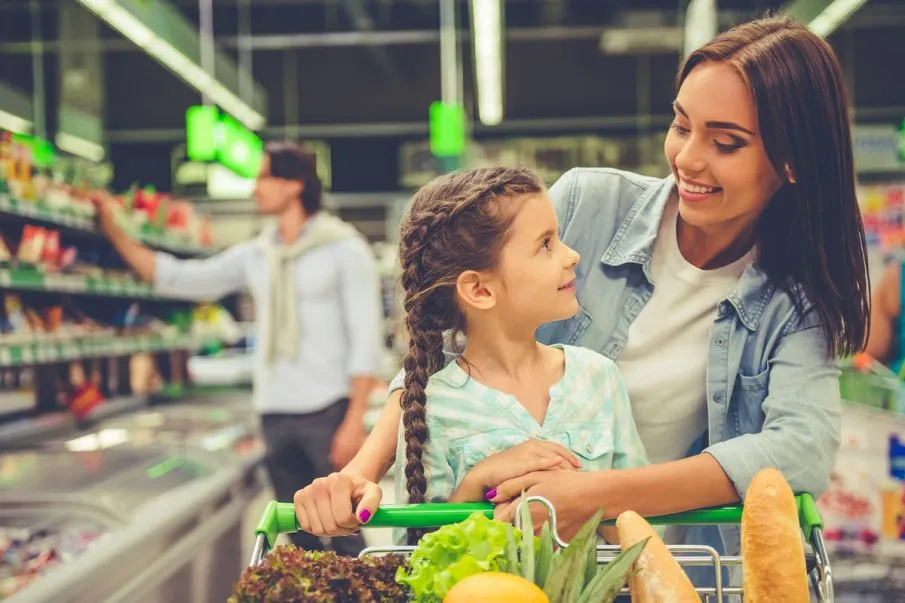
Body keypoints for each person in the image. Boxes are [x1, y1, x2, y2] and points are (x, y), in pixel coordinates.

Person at [293, 13, 870, 569]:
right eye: (681, 125)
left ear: (792, 161)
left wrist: (599, 495)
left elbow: (801, 448)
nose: (687, 159)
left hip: (656, 564)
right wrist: (364, 467)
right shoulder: (588, 205)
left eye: (726, 143)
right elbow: (444, 348)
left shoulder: (793, 303)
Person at [93, 141, 382, 556]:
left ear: (295, 185)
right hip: (274, 411)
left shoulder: (344, 249)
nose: (254, 188)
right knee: (300, 536)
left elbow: (365, 338)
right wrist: (117, 234)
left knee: (347, 529)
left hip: (329, 411)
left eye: (264, 176)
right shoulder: (257, 254)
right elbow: (185, 278)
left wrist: (354, 421)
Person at [376, 166, 647, 545]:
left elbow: (643, 533)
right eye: (546, 244)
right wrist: (474, 486)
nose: (572, 256)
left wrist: (583, 497)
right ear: (480, 290)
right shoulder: (432, 406)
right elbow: (415, 557)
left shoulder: (598, 377)